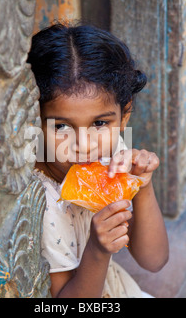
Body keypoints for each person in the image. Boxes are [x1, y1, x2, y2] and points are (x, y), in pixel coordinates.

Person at [27, 22, 169, 298]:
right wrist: (98, 250)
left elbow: (154, 260)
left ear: (124, 115)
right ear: (35, 122)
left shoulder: (112, 152)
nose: (84, 146)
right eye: (61, 127)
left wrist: (142, 186)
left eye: (100, 123)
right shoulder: (42, 204)